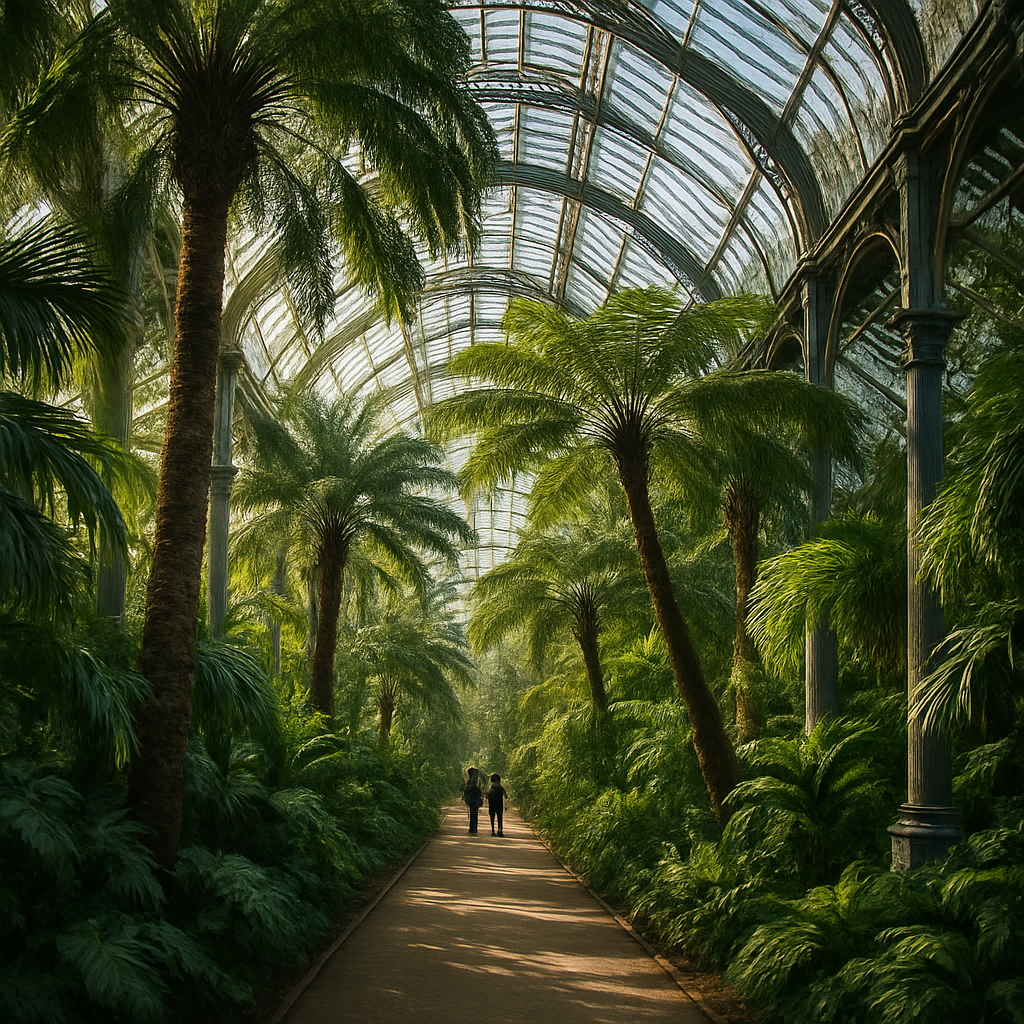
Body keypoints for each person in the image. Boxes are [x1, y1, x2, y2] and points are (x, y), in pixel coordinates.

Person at [462, 767, 483, 834]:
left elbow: (466, 791)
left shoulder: (469, 783)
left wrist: (465, 797)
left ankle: (472, 828)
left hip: (471, 800)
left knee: (472, 814)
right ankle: (474, 828)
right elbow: (479, 792)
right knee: (475, 814)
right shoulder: (476, 784)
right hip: (475, 800)